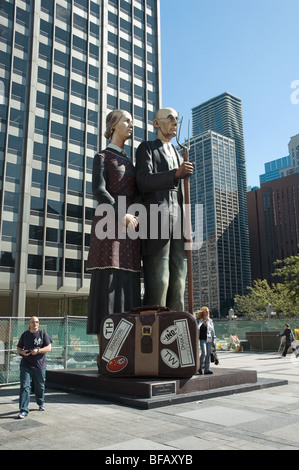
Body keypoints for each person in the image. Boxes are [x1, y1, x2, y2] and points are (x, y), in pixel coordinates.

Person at [86, 110, 141, 366]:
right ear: (113, 126)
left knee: (128, 284)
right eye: (126, 121)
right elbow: (98, 190)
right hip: (109, 224)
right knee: (108, 285)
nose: (131, 124)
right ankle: (106, 355)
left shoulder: (131, 162)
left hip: (130, 230)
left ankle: (126, 352)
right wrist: (123, 215)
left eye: (131, 121)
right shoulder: (102, 157)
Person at [135, 107, 194, 311]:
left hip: (178, 222)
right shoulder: (147, 148)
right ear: (156, 123)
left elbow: (182, 196)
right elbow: (142, 181)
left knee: (179, 281)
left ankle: (176, 331)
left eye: (177, 119)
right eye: (170, 118)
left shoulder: (179, 155)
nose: (175, 122)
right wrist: (174, 175)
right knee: (159, 281)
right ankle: (152, 329)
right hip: (156, 221)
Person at [17, 316, 52, 419]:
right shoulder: (25, 335)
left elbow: (49, 348)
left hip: (39, 365)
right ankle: (23, 410)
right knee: (24, 386)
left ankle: (41, 402)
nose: (35, 324)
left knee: (40, 386)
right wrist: (22, 352)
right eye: (33, 322)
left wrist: (38, 351)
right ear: (29, 324)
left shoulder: (43, 334)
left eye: (37, 322)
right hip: (26, 365)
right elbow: (19, 348)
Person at [196, 306, 215, 375]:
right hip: (202, 339)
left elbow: (213, 331)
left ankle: (207, 369)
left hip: (209, 339)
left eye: (208, 311)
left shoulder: (210, 321)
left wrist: (213, 339)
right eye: (206, 311)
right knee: (204, 353)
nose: (208, 313)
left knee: (208, 354)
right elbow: (196, 329)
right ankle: (200, 367)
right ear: (203, 312)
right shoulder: (199, 320)